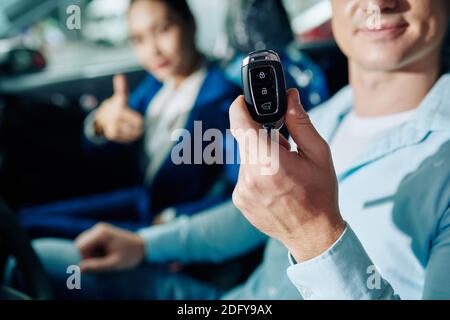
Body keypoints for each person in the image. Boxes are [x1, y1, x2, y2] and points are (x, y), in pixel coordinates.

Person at [27, 0, 450, 299]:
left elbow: (288, 213)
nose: (377, 1)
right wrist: (147, 245)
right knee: (44, 262)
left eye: (162, 30)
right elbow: (255, 213)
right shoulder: (325, 113)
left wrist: (316, 235)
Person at [17, 0, 241, 239]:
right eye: (138, 39)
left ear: (191, 25)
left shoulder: (225, 100)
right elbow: (107, 143)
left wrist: (174, 218)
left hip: (170, 225)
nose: (153, 50)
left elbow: (239, 192)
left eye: (163, 30)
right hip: (141, 199)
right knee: (23, 218)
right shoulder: (156, 85)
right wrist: (101, 127)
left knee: (30, 230)